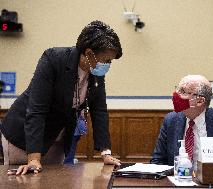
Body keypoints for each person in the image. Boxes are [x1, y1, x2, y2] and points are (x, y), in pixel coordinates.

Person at [0, 20, 122, 175]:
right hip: (24, 137)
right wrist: (33, 158)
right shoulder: (53, 59)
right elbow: (37, 109)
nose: (108, 65)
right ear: (89, 53)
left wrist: (106, 152)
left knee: (54, 180)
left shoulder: (96, 74)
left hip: (56, 138)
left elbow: (99, 111)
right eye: (106, 61)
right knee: (25, 180)